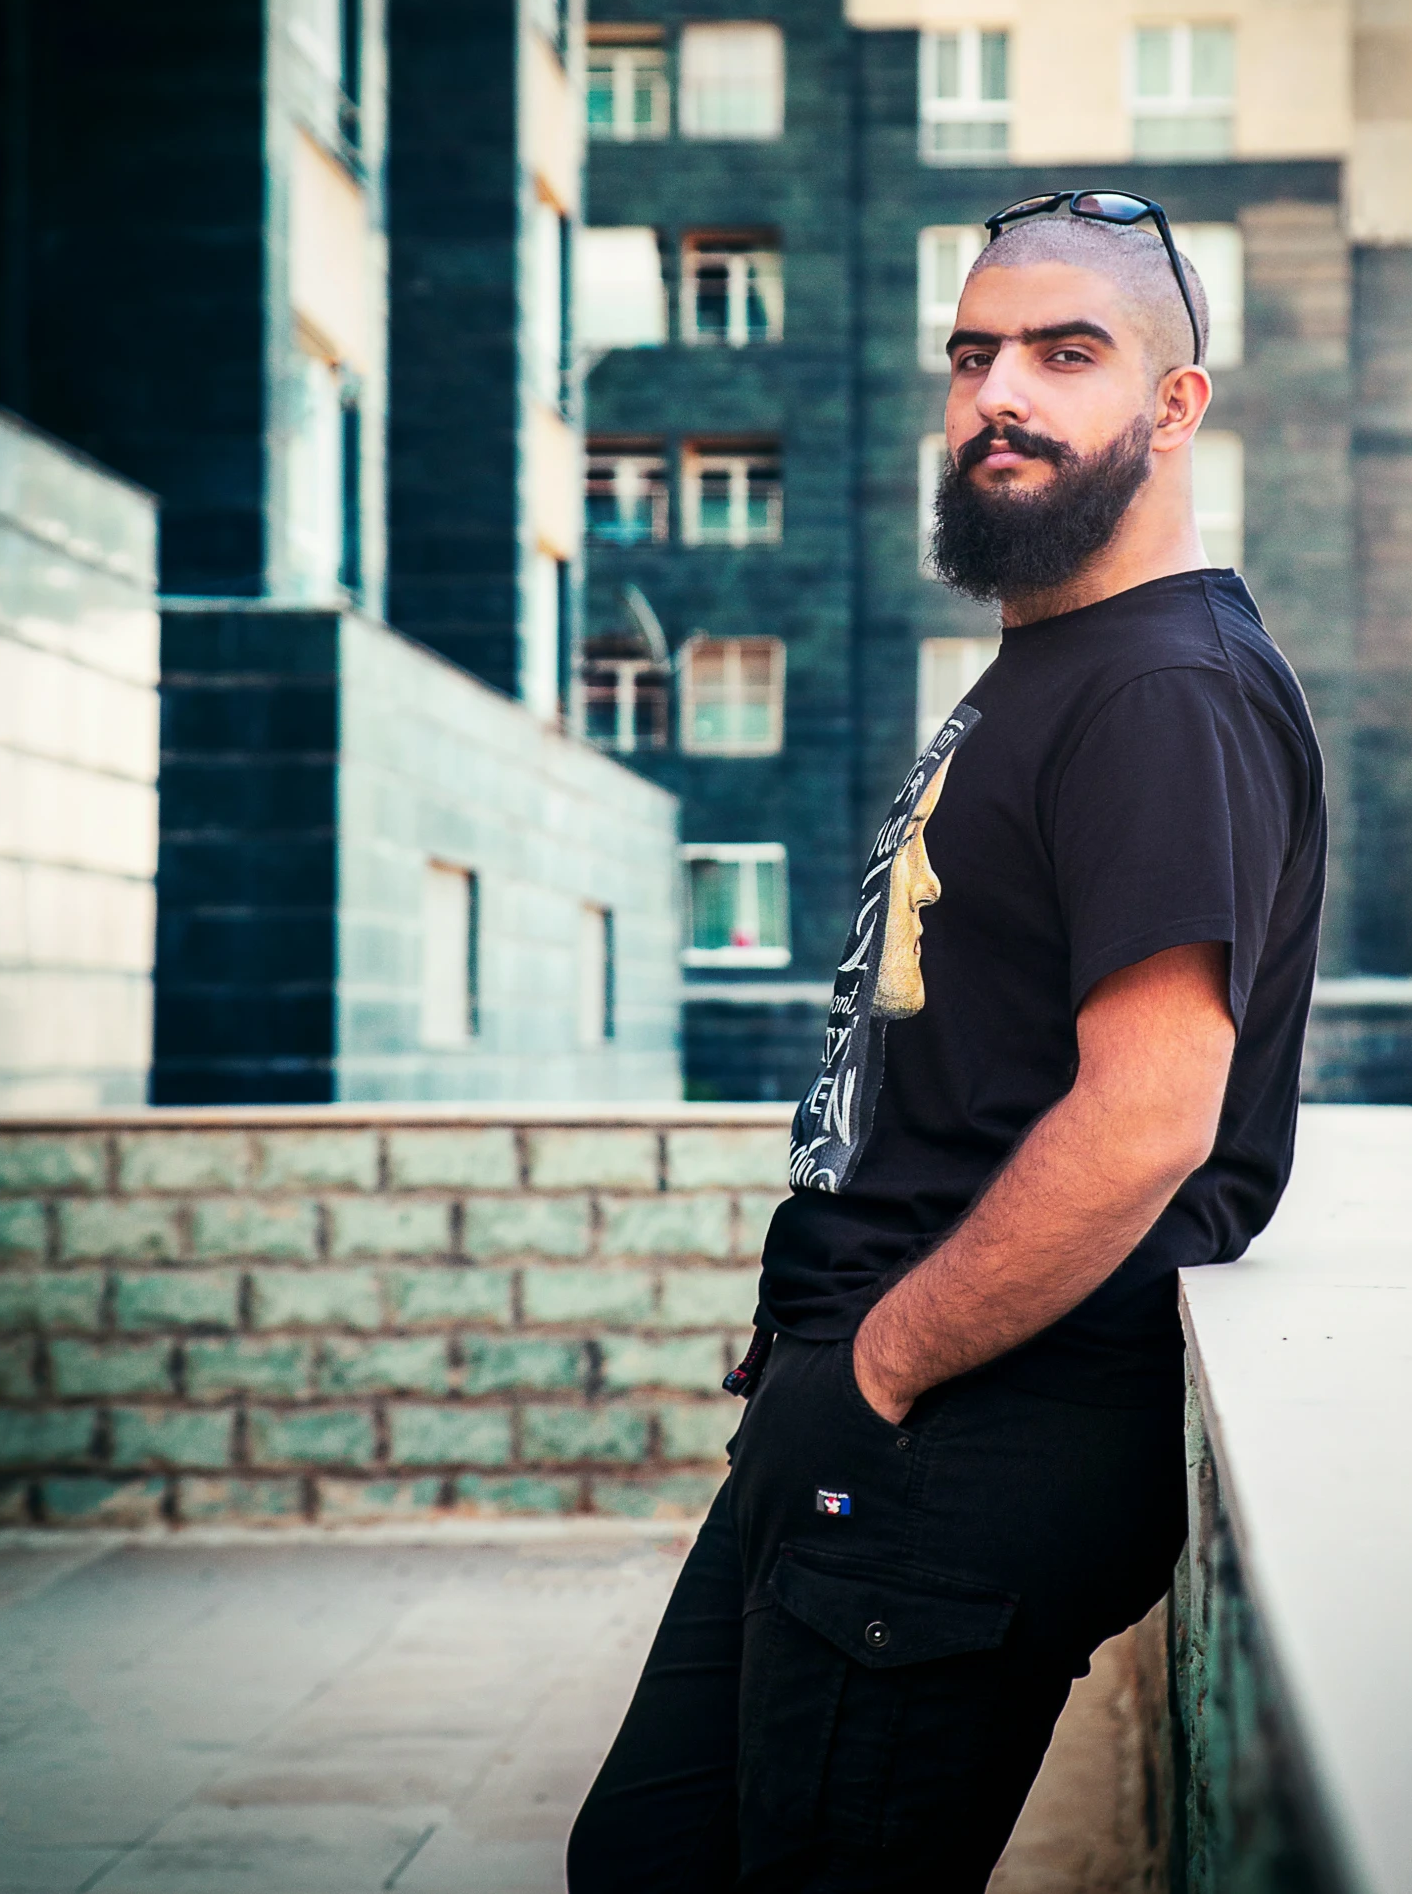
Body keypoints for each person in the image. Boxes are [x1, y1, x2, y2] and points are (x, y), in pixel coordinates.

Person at [568, 193, 1327, 1893]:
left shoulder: (1161, 689)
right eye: (974, 353)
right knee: (649, 1860)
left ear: (1177, 403)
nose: (1003, 393)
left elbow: (1148, 1118)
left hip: (952, 1445)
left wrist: (884, 1367)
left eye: (1069, 354)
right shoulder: (1060, 662)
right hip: (872, 1420)